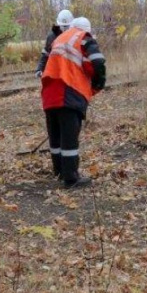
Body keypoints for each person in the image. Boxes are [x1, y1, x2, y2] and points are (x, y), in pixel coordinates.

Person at [41, 17, 106, 188]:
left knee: (56, 136)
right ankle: (71, 179)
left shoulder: (59, 38)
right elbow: (98, 62)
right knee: (69, 137)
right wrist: (99, 83)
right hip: (68, 91)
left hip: (49, 92)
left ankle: (59, 171)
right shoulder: (84, 37)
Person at [35, 9, 73, 78]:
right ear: (58, 24)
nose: (65, 29)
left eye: (67, 26)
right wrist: (39, 69)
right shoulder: (52, 36)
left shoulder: (75, 36)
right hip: (56, 72)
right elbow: (46, 54)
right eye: (63, 26)